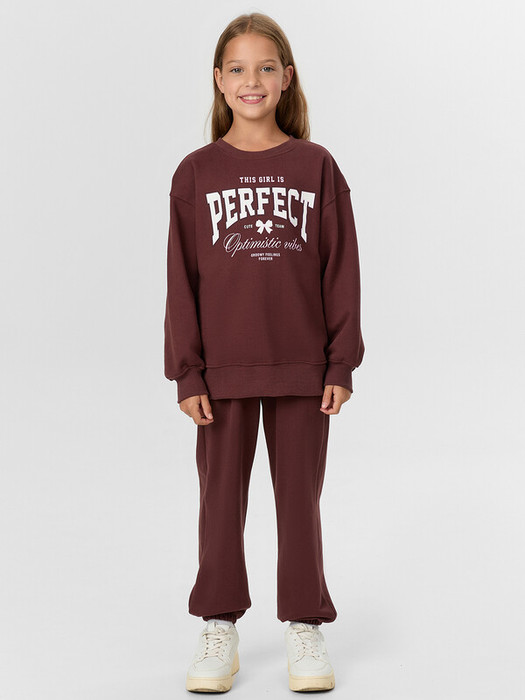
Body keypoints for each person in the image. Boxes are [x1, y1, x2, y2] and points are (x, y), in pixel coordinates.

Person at [163, 12, 365, 693]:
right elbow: (181, 280)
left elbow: (341, 270)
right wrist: (187, 371)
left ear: (286, 78)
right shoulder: (196, 173)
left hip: (304, 368)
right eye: (238, 68)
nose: (252, 80)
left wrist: (340, 362)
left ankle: (304, 623)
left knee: (298, 503)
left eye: (265, 67)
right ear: (220, 81)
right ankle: (218, 624)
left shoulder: (315, 166)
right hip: (220, 371)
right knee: (219, 504)